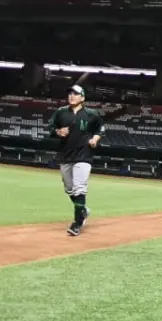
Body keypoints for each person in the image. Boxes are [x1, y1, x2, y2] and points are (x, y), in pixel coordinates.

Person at [48, 85, 105, 237]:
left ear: (83, 97)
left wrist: (95, 138)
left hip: (84, 155)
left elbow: (102, 129)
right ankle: (83, 210)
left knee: (79, 188)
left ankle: (77, 223)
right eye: (70, 93)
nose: (72, 96)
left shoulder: (91, 114)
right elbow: (50, 127)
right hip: (65, 155)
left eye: (76, 93)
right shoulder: (60, 112)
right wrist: (57, 131)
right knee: (69, 188)